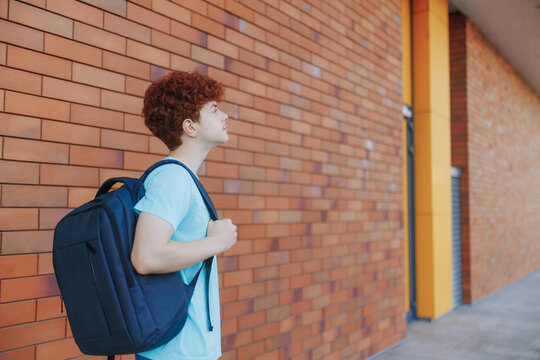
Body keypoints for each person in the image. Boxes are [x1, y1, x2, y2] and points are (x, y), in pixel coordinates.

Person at [131, 71, 237, 360]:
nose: (225, 116)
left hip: (182, 348)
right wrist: (218, 242)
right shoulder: (172, 179)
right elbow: (147, 256)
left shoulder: (182, 178)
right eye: (214, 110)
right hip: (176, 352)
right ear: (190, 126)